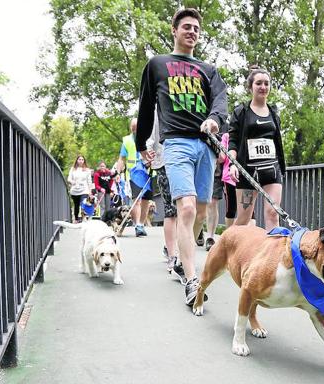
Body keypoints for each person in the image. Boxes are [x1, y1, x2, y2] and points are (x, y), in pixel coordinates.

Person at [136, 8, 228, 306]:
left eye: (196, 29)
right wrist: (141, 146)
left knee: (200, 212)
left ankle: (179, 258)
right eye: (186, 27)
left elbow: (220, 102)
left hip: (206, 145)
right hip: (176, 144)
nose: (192, 32)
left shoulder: (208, 70)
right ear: (174, 30)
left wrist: (214, 120)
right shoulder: (157, 65)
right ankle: (192, 281)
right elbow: (146, 107)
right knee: (186, 209)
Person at [228, 67, 286, 230]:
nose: (263, 87)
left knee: (273, 214)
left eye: (266, 83)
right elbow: (232, 141)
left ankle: (271, 255)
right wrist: (232, 164)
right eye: (258, 83)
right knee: (243, 219)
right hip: (248, 172)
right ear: (251, 87)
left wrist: (281, 166)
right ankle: (226, 249)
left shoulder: (274, 112)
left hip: (271, 170)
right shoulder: (241, 111)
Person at [145, 116, 181, 281]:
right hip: (164, 162)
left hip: (184, 159)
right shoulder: (156, 110)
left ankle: (180, 252)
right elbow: (150, 137)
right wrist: (148, 152)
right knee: (171, 209)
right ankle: (173, 255)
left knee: (186, 208)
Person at [117, 118, 151, 237]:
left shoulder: (150, 137)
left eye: (136, 126)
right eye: (133, 126)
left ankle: (141, 223)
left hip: (148, 172)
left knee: (146, 201)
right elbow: (121, 158)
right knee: (137, 199)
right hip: (133, 173)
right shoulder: (126, 140)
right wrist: (118, 173)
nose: (134, 128)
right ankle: (137, 225)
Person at [67, 155, 93, 223]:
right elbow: (69, 179)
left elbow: (89, 181)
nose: (81, 161)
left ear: (84, 161)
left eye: (82, 159)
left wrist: (90, 192)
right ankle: (76, 218)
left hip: (84, 190)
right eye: (79, 159)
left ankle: (83, 219)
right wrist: (73, 182)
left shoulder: (87, 170)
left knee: (83, 204)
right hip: (75, 190)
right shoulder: (73, 169)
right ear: (77, 160)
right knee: (76, 205)